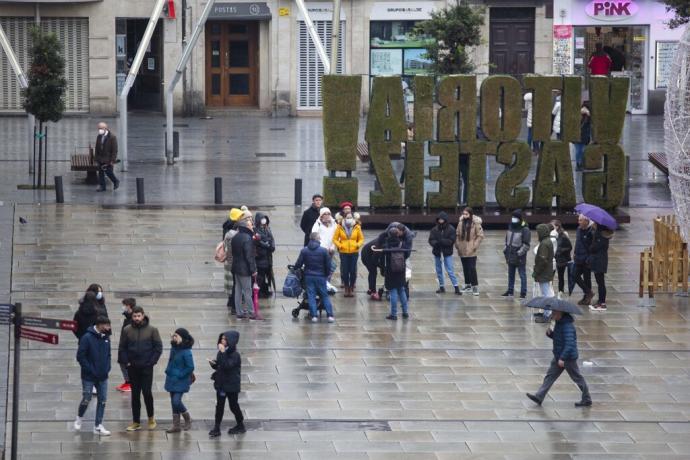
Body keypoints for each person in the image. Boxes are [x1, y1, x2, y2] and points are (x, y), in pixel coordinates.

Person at [526, 309, 591, 407]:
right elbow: (559, 338)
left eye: (554, 313)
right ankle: (539, 396)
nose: (552, 315)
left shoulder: (567, 326)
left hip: (568, 358)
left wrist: (562, 358)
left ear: (560, 313)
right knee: (550, 376)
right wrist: (550, 334)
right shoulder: (559, 323)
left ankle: (586, 399)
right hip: (559, 355)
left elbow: (569, 344)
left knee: (577, 378)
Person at [118, 306, 163, 431]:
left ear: (143, 315)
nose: (137, 318)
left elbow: (158, 347)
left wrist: (151, 362)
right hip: (133, 367)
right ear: (132, 317)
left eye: (139, 316)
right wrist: (126, 362)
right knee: (135, 395)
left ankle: (151, 418)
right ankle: (136, 421)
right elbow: (122, 347)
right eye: (134, 316)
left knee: (147, 393)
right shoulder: (127, 330)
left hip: (146, 368)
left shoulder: (152, 330)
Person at [74, 316, 112, 436]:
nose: (108, 328)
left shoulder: (106, 337)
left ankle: (98, 426)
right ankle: (79, 417)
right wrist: (89, 369)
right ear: (100, 325)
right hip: (89, 376)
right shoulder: (87, 338)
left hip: (103, 375)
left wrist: (107, 367)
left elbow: (108, 354)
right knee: (87, 398)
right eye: (106, 325)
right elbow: (80, 356)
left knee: (102, 400)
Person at [209, 330, 246, 437]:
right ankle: (217, 427)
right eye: (222, 338)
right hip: (221, 384)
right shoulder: (222, 352)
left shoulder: (235, 355)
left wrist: (223, 353)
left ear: (231, 341)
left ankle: (240, 424)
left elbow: (227, 366)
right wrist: (214, 364)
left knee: (233, 406)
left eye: (225, 339)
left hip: (231, 386)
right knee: (219, 406)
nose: (222, 340)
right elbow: (221, 365)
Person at [295, 232, 335, 322]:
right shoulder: (323, 251)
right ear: (317, 239)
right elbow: (328, 265)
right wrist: (326, 274)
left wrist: (296, 268)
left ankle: (314, 316)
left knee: (311, 296)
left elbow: (298, 264)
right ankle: (330, 316)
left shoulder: (304, 250)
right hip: (321, 276)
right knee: (324, 295)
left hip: (309, 276)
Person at [164, 328, 195, 433]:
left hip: (181, 380)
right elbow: (170, 361)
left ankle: (187, 418)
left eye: (176, 336)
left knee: (176, 401)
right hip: (171, 379)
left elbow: (190, 367)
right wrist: (168, 370)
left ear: (183, 338)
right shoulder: (174, 348)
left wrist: (180, 375)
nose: (174, 337)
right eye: (174, 335)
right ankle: (176, 425)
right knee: (173, 403)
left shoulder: (186, 352)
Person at [231, 210, 257, 319]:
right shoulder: (247, 238)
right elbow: (249, 257)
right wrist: (253, 270)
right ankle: (251, 312)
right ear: (246, 226)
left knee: (238, 290)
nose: (252, 226)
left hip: (236, 267)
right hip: (244, 269)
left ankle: (239, 312)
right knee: (247, 291)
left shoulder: (236, 236)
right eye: (251, 224)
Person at [429, 212, 461, 295]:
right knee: (439, 270)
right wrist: (436, 243)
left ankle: (456, 287)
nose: (440, 221)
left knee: (450, 270)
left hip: (447, 253)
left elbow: (451, 240)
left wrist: (442, 241)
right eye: (439, 219)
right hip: (437, 252)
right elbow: (431, 240)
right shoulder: (434, 229)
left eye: (442, 219)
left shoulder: (451, 229)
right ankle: (441, 286)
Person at [333, 212, 364, 297]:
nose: (349, 218)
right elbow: (335, 239)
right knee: (345, 271)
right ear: (344, 218)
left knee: (353, 271)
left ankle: (351, 287)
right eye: (348, 217)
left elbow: (361, 239)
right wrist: (340, 245)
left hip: (354, 252)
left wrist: (357, 245)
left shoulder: (357, 227)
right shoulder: (340, 226)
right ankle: (346, 288)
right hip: (344, 252)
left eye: (351, 217)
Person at [382, 227, 410, 320]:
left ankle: (394, 314)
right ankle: (405, 312)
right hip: (401, 270)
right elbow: (407, 255)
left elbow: (383, 254)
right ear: (398, 234)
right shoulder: (402, 244)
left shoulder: (387, 244)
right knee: (401, 290)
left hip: (391, 270)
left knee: (393, 291)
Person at [455, 207, 484, 296]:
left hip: (471, 250)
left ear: (470, 214)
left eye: (466, 214)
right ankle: (467, 285)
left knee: (472, 268)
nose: (464, 216)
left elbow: (480, 235)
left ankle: (475, 286)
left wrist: (474, 246)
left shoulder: (476, 223)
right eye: (463, 214)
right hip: (462, 249)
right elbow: (457, 234)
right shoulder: (460, 223)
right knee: (465, 268)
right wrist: (457, 245)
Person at [502, 209, 531, 299]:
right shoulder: (510, 226)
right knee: (511, 274)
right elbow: (507, 239)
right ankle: (510, 290)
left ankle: (523, 292)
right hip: (510, 255)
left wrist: (519, 253)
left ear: (519, 218)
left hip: (519, 256)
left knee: (522, 274)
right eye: (512, 217)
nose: (513, 219)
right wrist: (505, 249)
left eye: (515, 217)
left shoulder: (525, 229)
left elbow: (526, 245)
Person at [533, 224, 556, 324]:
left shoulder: (544, 244)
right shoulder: (547, 242)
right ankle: (547, 312)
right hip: (547, 272)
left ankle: (548, 314)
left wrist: (536, 272)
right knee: (546, 293)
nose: (536, 235)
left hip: (544, 273)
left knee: (547, 294)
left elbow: (542, 260)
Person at [588, 222, 613, 311]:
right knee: (600, 282)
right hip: (600, 260)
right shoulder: (602, 235)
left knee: (601, 283)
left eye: (594, 223)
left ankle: (602, 303)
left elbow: (594, 248)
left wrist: (591, 246)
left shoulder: (600, 236)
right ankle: (600, 301)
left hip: (599, 261)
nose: (593, 224)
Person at [312, 207, 338, 291]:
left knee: (331, 266)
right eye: (324, 214)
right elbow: (314, 237)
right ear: (321, 215)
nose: (327, 216)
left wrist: (333, 247)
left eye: (328, 214)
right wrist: (322, 248)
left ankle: (327, 283)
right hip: (321, 251)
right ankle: (321, 285)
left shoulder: (334, 224)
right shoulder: (317, 224)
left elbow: (337, 237)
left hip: (331, 251)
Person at [223, 208, 244, 313]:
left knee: (231, 283)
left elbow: (224, 247)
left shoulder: (227, 229)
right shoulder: (234, 233)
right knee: (235, 284)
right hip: (233, 262)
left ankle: (230, 301)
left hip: (229, 261)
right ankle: (234, 306)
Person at [573, 214, 594, 306]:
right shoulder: (578, 229)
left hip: (586, 259)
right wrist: (574, 252)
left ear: (586, 221)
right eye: (579, 220)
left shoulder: (591, 232)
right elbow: (577, 242)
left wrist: (589, 258)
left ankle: (587, 298)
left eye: (581, 220)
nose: (579, 222)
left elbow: (593, 247)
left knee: (587, 278)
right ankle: (588, 292)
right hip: (578, 257)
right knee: (574, 275)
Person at [116, 297, 136, 392]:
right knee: (122, 363)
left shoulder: (132, 319)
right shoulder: (128, 317)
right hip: (124, 346)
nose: (123, 307)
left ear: (128, 306)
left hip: (128, 348)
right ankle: (127, 381)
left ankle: (130, 383)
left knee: (126, 364)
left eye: (124, 305)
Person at [253, 211, 275, 298]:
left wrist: (271, 246)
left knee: (267, 274)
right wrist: (265, 244)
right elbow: (256, 241)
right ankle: (259, 291)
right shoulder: (255, 230)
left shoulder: (267, 229)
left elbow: (271, 239)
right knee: (260, 276)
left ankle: (264, 290)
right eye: (262, 219)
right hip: (260, 257)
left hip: (267, 256)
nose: (264, 221)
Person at [94, 122, 120, 192]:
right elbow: (97, 148)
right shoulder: (99, 136)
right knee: (101, 173)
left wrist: (112, 160)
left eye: (101, 128)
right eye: (99, 128)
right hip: (100, 158)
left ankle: (116, 181)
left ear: (106, 128)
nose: (99, 130)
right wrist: (96, 159)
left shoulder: (112, 137)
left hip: (108, 159)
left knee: (109, 172)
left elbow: (114, 150)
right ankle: (102, 186)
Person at [551, 220, 572, 299]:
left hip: (561, 259)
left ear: (557, 226)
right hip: (553, 258)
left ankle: (561, 290)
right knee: (551, 275)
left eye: (553, 226)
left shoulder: (563, 235)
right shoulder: (551, 235)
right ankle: (550, 291)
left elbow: (569, 247)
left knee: (560, 276)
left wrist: (560, 251)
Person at [573, 102, 591, 171]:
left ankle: (581, 164)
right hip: (578, 136)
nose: (584, 110)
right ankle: (578, 164)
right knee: (578, 151)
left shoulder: (588, 116)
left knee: (582, 151)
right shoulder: (578, 115)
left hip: (584, 136)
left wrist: (588, 114)